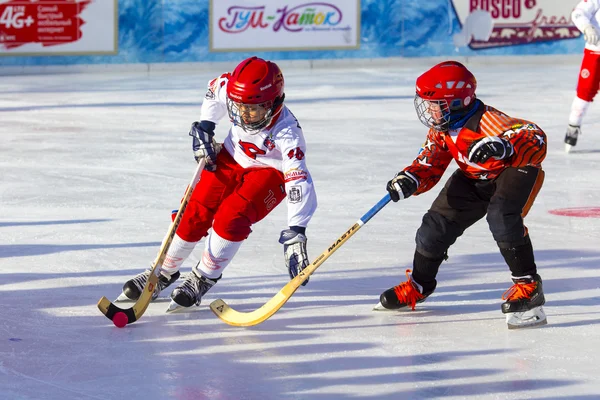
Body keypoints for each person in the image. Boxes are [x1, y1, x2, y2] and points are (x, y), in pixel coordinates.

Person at [118, 56, 317, 312]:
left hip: (270, 173)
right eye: (239, 106)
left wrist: (296, 231)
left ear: (274, 103)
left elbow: (298, 179)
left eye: (253, 108)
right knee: (192, 210)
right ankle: (162, 271)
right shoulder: (230, 86)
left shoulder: (288, 133)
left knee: (231, 217)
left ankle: (202, 277)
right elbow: (214, 92)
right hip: (232, 156)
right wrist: (206, 126)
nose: (244, 114)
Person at [376, 61, 548, 329]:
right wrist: (410, 178)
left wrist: (503, 145)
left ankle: (528, 287)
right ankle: (419, 286)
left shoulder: (489, 122)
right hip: (474, 178)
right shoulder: (442, 128)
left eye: (436, 103)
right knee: (434, 227)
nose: (430, 109)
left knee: (502, 218)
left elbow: (534, 137)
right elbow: (430, 161)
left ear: (457, 102)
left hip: (515, 171)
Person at [564, 0, 600, 153]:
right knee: (585, 92)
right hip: (595, 52)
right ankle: (573, 125)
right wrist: (587, 27)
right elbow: (578, 13)